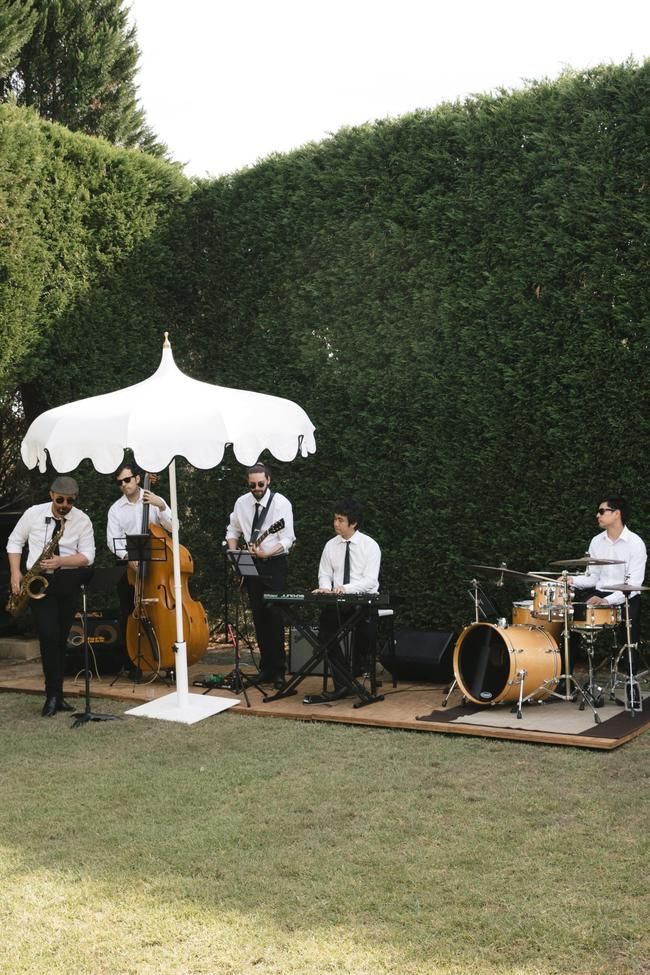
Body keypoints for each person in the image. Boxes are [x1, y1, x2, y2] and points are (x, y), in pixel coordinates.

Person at [6, 475, 95, 716]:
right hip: (39, 584)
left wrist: (61, 561)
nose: (64, 505)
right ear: (51, 495)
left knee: (60, 639)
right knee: (47, 636)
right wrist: (16, 574)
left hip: (67, 582)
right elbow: (14, 542)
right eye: (60, 500)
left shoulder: (82, 520)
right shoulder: (33, 514)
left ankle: (58, 694)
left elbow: (88, 556)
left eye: (70, 501)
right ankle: (51, 696)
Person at [225, 463, 295, 687]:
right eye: (252, 485)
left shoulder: (281, 503)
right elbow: (233, 530)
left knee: (275, 617)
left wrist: (266, 552)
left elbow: (287, 539)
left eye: (260, 484)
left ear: (269, 481)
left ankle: (279, 672)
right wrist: (234, 552)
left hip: (274, 563)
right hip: (250, 563)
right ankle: (265, 668)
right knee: (259, 618)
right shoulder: (241, 502)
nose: (256, 488)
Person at [306, 499, 381, 703]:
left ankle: (353, 677)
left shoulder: (370, 546)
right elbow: (324, 573)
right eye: (335, 519)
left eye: (340, 520)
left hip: (363, 602)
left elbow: (370, 581)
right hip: (338, 602)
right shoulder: (330, 545)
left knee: (365, 634)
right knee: (324, 636)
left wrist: (345, 588)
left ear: (353, 523)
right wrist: (324, 588)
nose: (336, 523)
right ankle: (344, 684)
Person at [106, 463, 173, 675]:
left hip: (157, 564)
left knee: (163, 612)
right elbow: (112, 539)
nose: (124, 485)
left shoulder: (154, 501)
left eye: (127, 480)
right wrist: (127, 557)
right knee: (129, 611)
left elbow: (174, 528)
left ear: (137, 478)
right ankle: (133, 662)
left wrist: (161, 506)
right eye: (119, 482)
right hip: (129, 564)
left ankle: (169, 658)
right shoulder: (116, 509)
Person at [568, 495, 646, 650]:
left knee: (630, 632)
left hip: (626, 597)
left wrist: (607, 601)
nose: (598, 515)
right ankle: (568, 671)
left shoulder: (636, 543)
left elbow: (634, 585)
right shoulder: (596, 541)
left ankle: (631, 671)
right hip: (600, 592)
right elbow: (592, 577)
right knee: (572, 617)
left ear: (617, 513)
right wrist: (572, 580)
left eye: (602, 511)